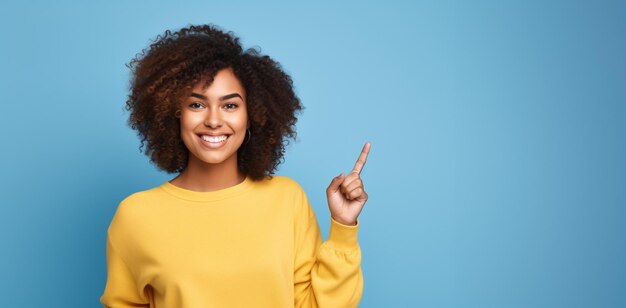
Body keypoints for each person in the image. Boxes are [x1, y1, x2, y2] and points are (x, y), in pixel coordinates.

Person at [100, 24, 370, 308]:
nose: (214, 121)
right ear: (173, 112)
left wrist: (343, 226)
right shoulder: (136, 216)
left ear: (252, 114)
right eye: (196, 105)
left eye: (230, 106)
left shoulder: (286, 199)